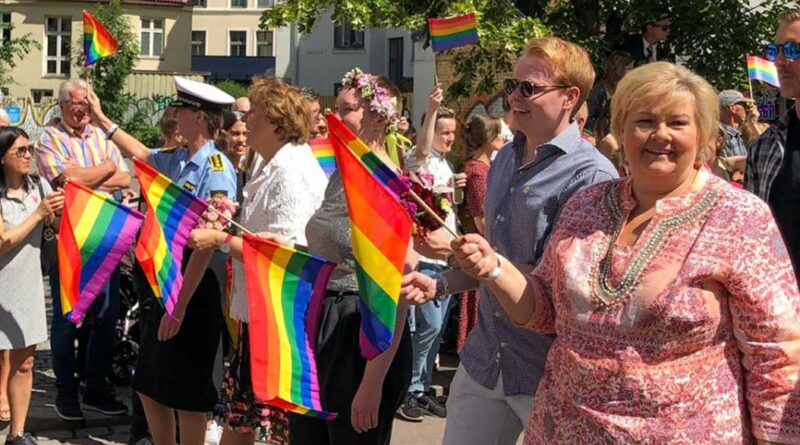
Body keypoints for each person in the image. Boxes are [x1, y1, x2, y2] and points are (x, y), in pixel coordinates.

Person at [408, 60, 800, 444]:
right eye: (644, 121)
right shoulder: (588, 205)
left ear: (702, 134)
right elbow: (544, 307)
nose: (659, 134)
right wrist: (493, 267)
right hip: (562, 426)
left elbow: (777, 352)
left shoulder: (739, 217)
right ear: (621, 130)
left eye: (677, 122)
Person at [402, 36, 618, 445]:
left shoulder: (593, 178)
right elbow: (494, 261)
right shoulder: (503, 158)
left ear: (570, 97)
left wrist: (483, 262)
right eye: (511, 84)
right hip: (486, 357)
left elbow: (565, 289)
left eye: (529, 88)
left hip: (546, 370)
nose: (514, 96)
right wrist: (444, 282)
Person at [86, 76, 238, 445]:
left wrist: (179, 307)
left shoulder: (216, 168)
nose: (174, 116)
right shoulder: (179, 158)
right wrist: (102, 118)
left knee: (187, 396)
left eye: (180, 110)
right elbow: (142, 155)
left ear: (199, 117)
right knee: (149, 386)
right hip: (166, 284)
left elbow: (206, 244)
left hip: (193, 291)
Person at [187, 77, 328, 445]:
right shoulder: (272, 164)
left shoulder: (291, 170)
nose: (246, 122)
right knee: (243, 419)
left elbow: (288, 253)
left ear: (277, 122)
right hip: (260, 314)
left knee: (271, 429)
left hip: (279, 321)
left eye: (256, 114)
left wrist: (220, 238)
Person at [289, 68, 413, 444]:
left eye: (346, 110)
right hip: (324, 319)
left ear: (376, 115)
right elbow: (329, 247)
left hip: (363, 329)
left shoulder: (383, 180)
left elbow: (401, 280)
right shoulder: (344, 170)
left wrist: (372, 382)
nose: (334, 118)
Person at [35, 79, 131, 421]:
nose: (82, 110)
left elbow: (126, 179)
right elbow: (67, 181)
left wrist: (90, 176)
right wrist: (106, 169)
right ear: (61, 106)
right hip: (71, 240)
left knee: (106, 317)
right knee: (67, 318)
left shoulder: (100, 135)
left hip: (106, 237)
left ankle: (96, 388)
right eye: (75, 104)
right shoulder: (49, 138)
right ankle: (66, 390)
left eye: (87, 104)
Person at [398, 85, 465, 421]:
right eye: (445, 132)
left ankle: (421, 388)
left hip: (442, 257)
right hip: (424, 256)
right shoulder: (419, 156)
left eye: (454, 133)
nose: (450, 138)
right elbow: (421, 147)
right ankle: (409, 388)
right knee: (426, 326)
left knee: (435, 331)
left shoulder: (445, 164)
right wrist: (432, 106)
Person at [0, 127, 64, 445]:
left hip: (27, 284)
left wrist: (58, 213)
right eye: (20, 151)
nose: (28, 156)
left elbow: (56, 226)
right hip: (2, 286)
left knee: (24, 362)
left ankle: (18, 433)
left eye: (30, 150)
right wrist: (39, 214)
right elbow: (2, 240)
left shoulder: (38, 186)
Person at [747, 8, 800, 282]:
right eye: (776, 50)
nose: (779, 61)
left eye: (793, 50)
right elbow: (750, 241)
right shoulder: (764, 148)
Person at [457, 114, 503, 351]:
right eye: (498, 133)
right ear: (488, 138)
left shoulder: (487, 167)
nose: (503, 137)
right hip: (482, 244)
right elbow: (480, 216)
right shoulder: (477, 171)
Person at [585, 50, 634, 138]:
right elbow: (588, 119)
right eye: (629, 69)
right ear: (619, 70)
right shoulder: (598, 91)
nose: (632, 72)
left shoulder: (626, 90)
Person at [718, 89, 750, 157]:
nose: (747, 109)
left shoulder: (737, 134)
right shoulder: (720, 135)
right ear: (733, 108)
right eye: (745, 105)